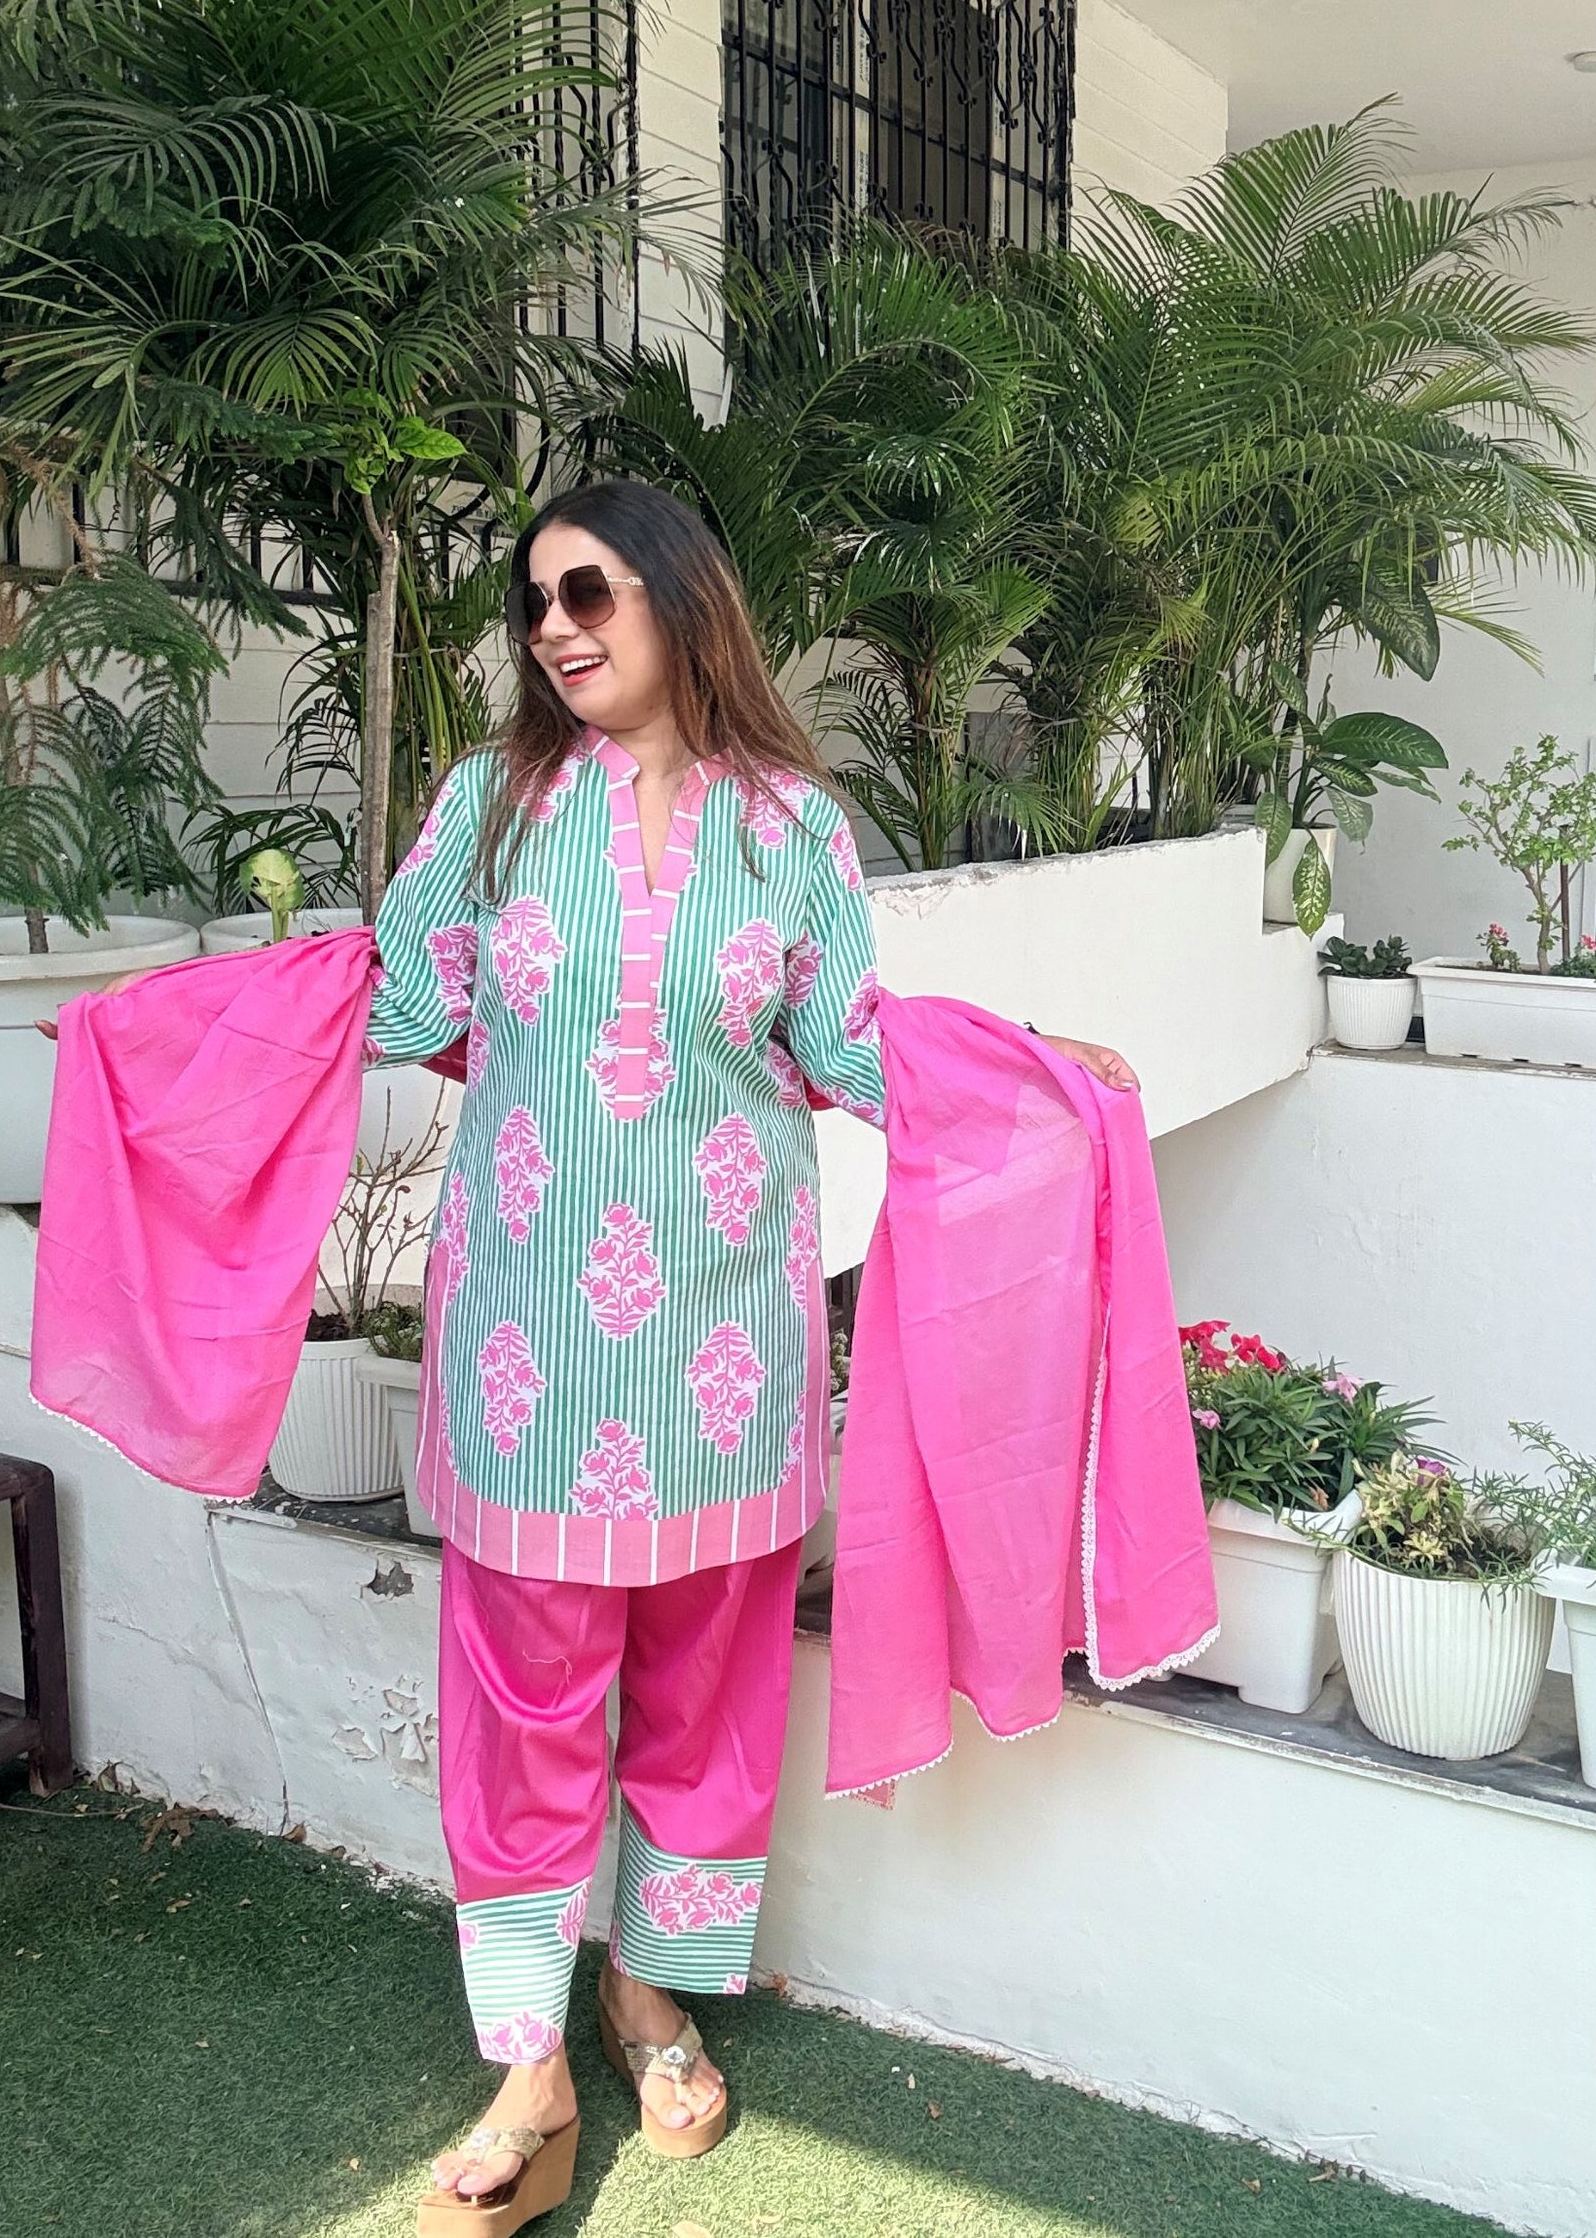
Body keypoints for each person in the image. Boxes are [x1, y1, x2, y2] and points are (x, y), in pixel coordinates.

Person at [367, 479, 1136, 2227]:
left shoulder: (791, 823)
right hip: (530, 1350)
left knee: (708, 1687)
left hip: (726, 1343)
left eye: (588, 594)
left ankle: (649, 1994)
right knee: (523, 1701)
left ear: (679, 599)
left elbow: (848, 1041)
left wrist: (1027, 1067)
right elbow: (400, 1001)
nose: (554, 629)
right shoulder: (487, 806)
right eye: (534, 604)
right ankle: (528, 2059)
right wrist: (196, 1033)